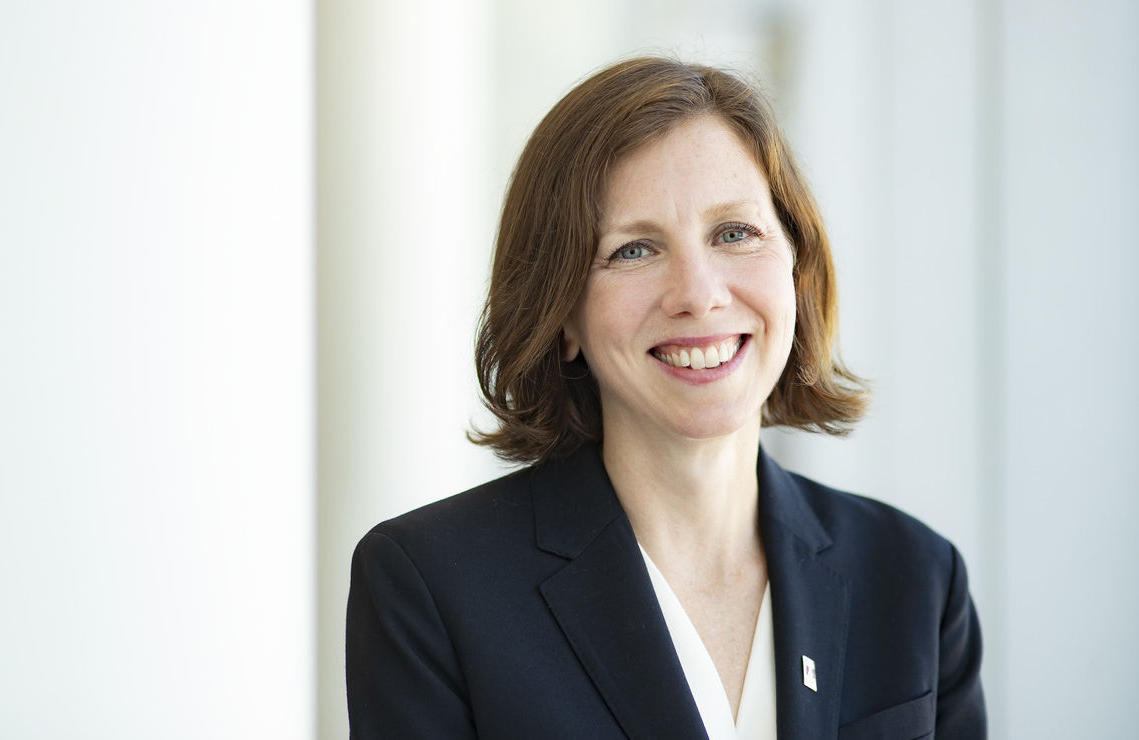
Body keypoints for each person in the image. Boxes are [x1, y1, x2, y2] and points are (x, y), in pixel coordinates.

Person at [346, 57, 986, 739]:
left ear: (797, 269)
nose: (698, 294)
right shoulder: (432, 586)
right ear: (559, 313)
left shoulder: (914, 575)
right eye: (632, 250)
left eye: (733, 233)